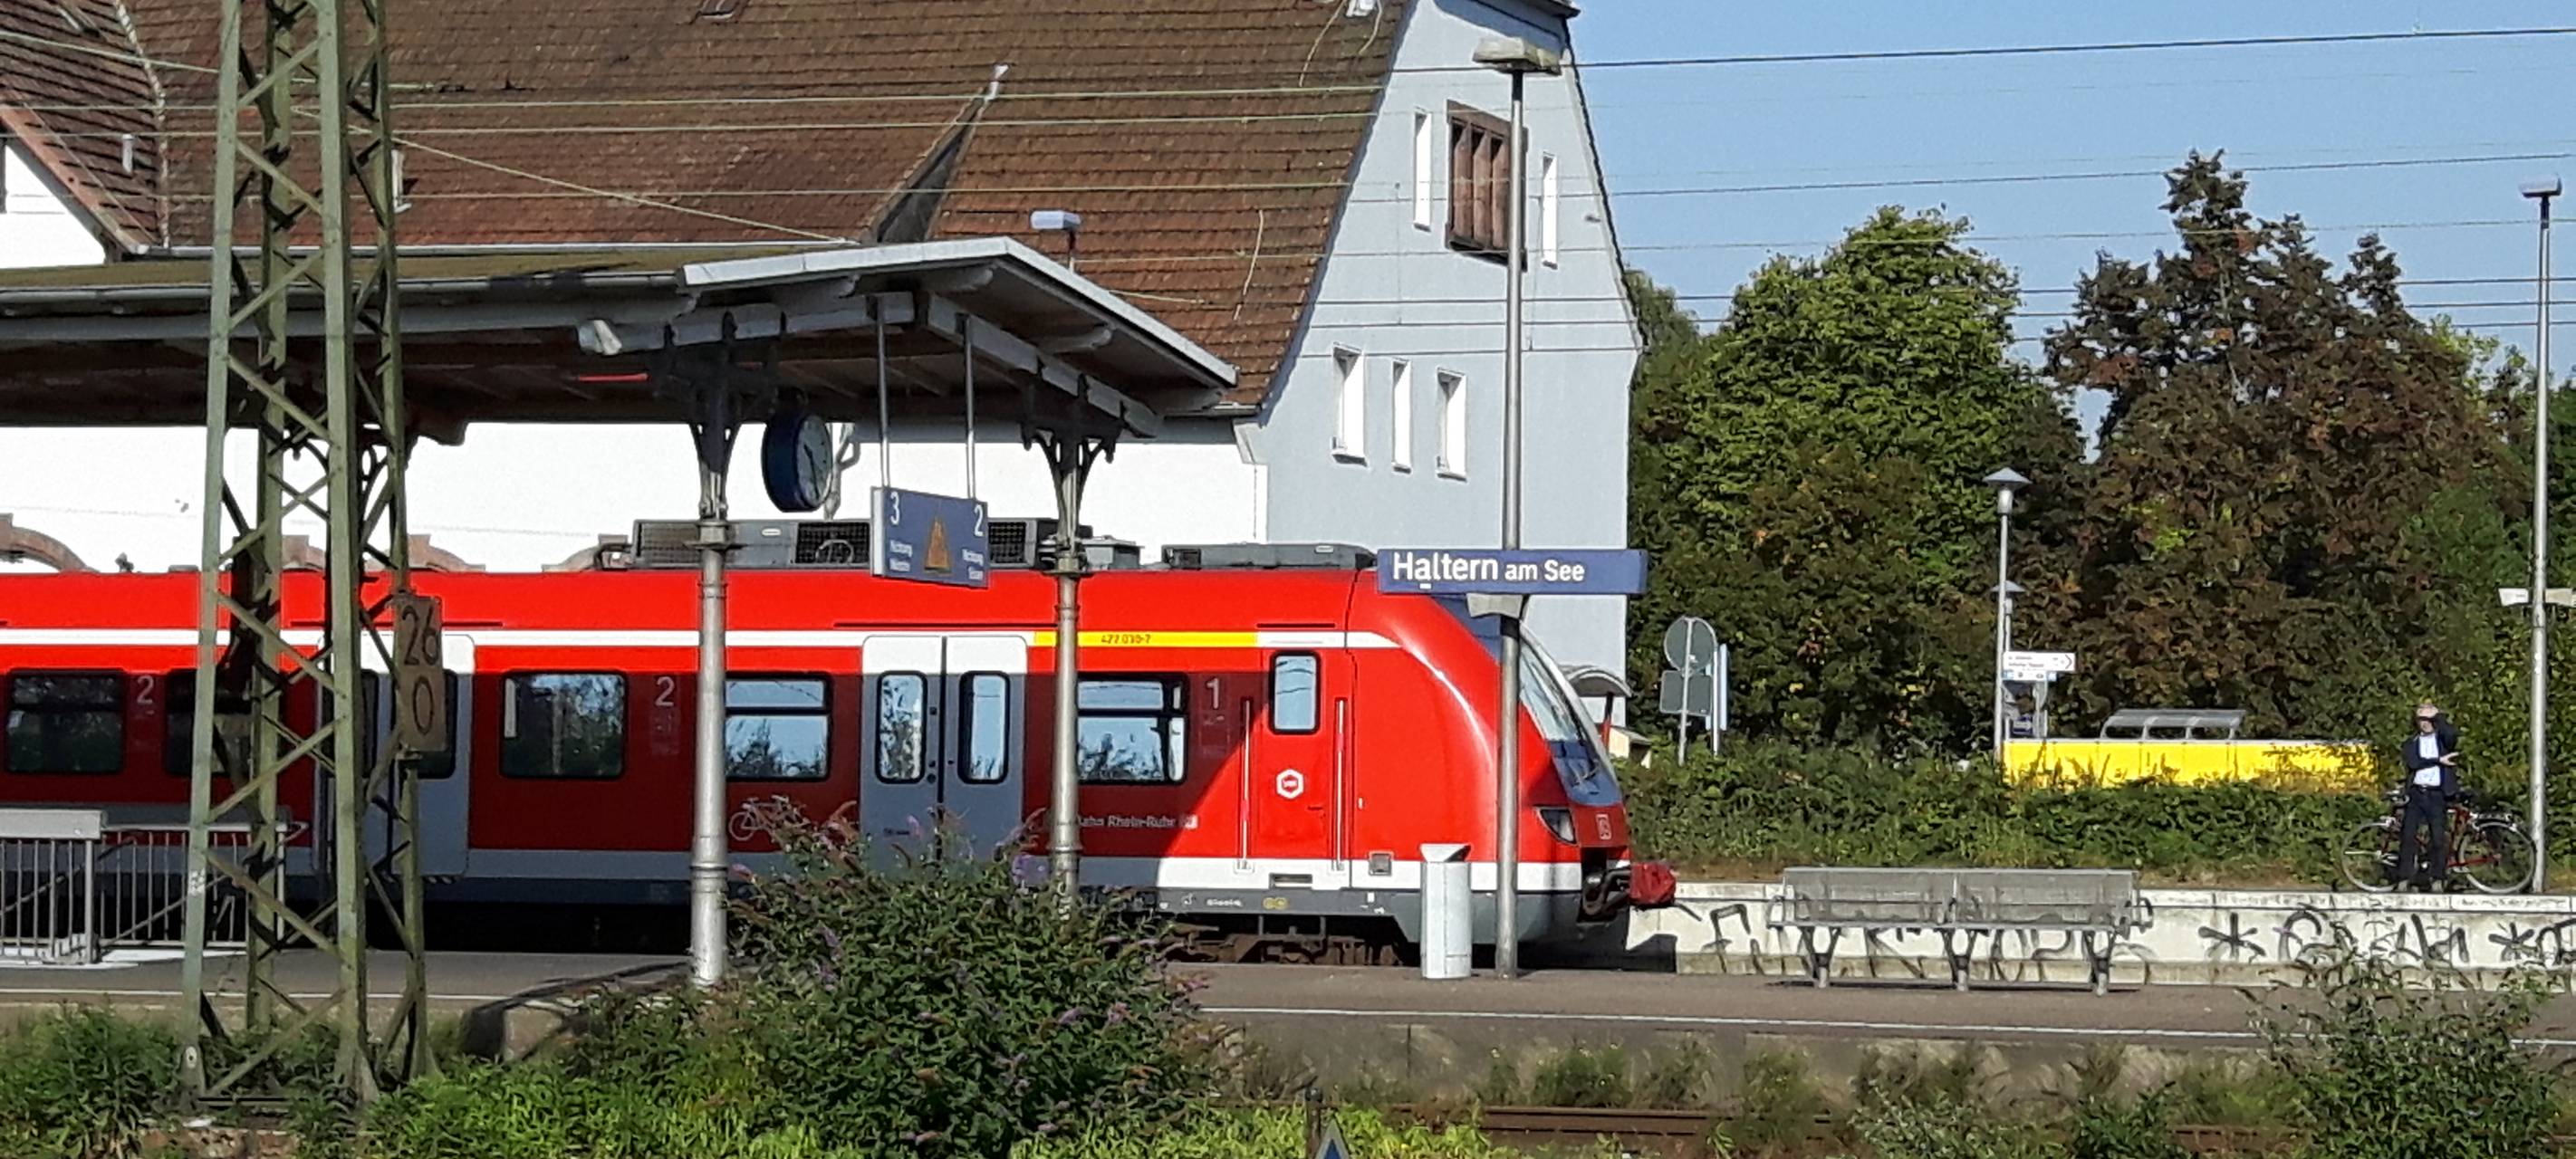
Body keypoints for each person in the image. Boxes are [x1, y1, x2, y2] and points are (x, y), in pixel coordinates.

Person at [2393, 703, 2462, 891]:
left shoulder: (2443, 741)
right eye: (2420, 720)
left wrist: (2438, 716)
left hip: (2436, 794)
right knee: (2408, 836)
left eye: (2427, 720)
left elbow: (2452, 734)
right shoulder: (2411, 743)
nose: (2424, 724)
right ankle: (2404, 877)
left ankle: (2437, 877)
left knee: (2438, 838)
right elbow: (2414, 763)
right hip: (2417, 793)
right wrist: (2438, 761)